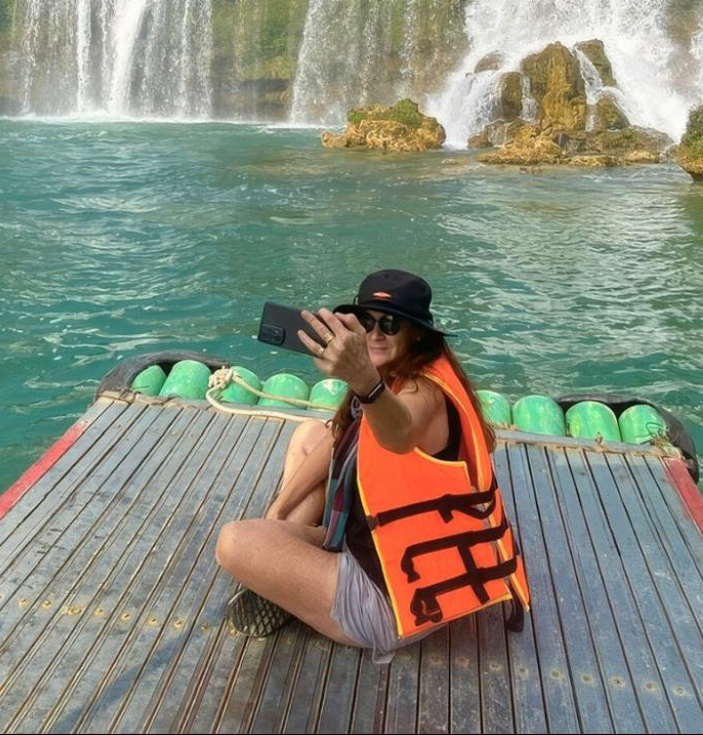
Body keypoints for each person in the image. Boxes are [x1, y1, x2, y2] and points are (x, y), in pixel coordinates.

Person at [214, 269, 529, 657]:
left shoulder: (421, 393)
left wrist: (364, 379)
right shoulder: (396, 373)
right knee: (309, 436)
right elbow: (336, 441)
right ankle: (284, 578)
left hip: (392, 599)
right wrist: (277, 513)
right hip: (378, 547)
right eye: (368, 321)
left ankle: (284, 587)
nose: (376, 333)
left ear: (416, 333)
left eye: (391, 324)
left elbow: (399, 433)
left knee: (234, 542)